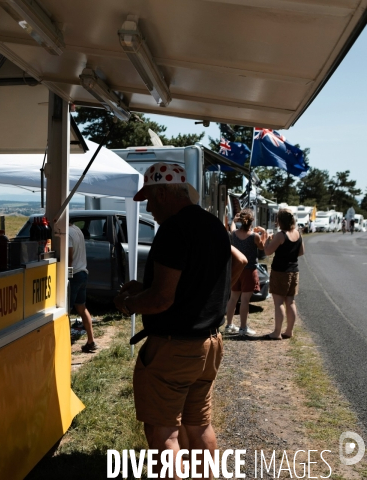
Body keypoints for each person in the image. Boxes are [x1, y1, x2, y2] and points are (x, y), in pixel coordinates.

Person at [113, 163, 245, 478]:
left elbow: (161, 300)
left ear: (163, 193)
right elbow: (238, 261)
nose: (148, 207)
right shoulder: (212, 224)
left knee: (163, 435)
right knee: (199, 427)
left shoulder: (173, 228)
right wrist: (207, 298)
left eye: (150, 198)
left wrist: (129, 303)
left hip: (174, 348)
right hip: (209, 345)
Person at [263, 208, 305, 340]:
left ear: (280, 221)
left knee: (278, 302)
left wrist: (266, 241)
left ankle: (277, 332)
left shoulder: (281, 235)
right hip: (294, 271)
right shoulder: (297, 233)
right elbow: (301, 252)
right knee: (290, 302)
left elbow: (268, 252)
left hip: (280, 272)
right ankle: (289, 331)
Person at [224, 209, 267, 336]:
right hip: (249, 270)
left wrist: (233, 221)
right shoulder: (255, 236)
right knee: (245, 300)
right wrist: (264, 232)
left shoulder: (234, 234)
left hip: (236, 269)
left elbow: (231, 229)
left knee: (233, 299)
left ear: (241, 222)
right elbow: (262, 247)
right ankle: (243, 328)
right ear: (251, 221)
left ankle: (229, 325)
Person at [68, 221, 96, 353]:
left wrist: (66, 276)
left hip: (74, 275)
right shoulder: (77, 230)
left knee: (65, 311)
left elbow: (69, 258)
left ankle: (65, 342)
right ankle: (91, 341)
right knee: (81, 307)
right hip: (83, 273)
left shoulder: (67, 234)